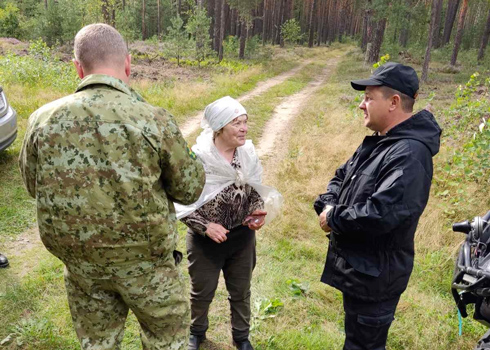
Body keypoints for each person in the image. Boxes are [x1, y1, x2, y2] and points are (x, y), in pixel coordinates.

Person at [19, 23, 205, 350]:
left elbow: (34, 186)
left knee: (98, 344)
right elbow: (190, 189)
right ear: (128, 64)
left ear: (78, 68)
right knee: (166, 342)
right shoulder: (154, 120)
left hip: (83, 269)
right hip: (148, 269)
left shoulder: (41, 120)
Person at [314, 62, 441, 350]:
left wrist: (334, 217)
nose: (362, 105)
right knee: (356, 339)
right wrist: (329, 205)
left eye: (369, 97)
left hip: (377, 278)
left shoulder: (409, 153)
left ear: (394, 102)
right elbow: (340, 178)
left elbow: (382, 214)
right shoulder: (381, 143)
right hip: (361, 272)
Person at [175, 96, 282, 350]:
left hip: (242, 237)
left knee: (241, 291)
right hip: (205, 241)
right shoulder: (198, 158)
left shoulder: (247, 154)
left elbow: (255, 189)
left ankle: (241, 337)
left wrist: (256, 211)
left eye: (245, 122)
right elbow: (181, 203)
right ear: (219, 127)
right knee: (201, 292)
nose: (244, 128)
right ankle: (196, 332)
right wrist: (205, 226)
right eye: (236, 123)